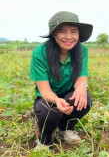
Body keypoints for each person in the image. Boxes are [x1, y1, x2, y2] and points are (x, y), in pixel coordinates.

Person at [30, 11, 93, 149]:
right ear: (54, 34)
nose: (69, 37)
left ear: (78, 34)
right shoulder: (39, 53)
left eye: (74, 31)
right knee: (49, 113)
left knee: (84, 99)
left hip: (68, 95)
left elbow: (81, 77)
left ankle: (64, 129)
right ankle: (45, 140)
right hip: (47, 98)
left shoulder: (81, 50)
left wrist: (82, 86)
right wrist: (57, 100)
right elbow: (44, 90)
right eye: (62, 31)